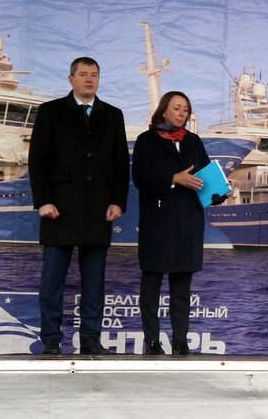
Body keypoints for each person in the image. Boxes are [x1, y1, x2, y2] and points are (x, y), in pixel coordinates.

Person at [29, 56, 129, 355]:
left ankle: (90, 339)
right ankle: (50, 338)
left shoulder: (113, 115)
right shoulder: (50, 112)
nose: (89, 79)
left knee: (94, 282)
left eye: (94, 75)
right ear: (71, 79)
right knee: (52, 280)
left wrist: (117, 201)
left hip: (99, 211)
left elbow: (120, 165)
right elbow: (38, 161)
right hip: (58, 210)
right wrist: (43, 200)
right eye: (83, 74)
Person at [132, 91, 215, 355]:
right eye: (177, 108)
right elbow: (141, 178)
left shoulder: (193, 140)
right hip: (158, 222)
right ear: (164, 110)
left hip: (188, 220)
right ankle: (153, 341)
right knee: (152, 283)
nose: (182, 113)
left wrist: (219, 192)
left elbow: (204, 176)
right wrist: (174, 178)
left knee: (182, 287)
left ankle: (180, 340)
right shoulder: (146, 140)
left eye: (186, 110)